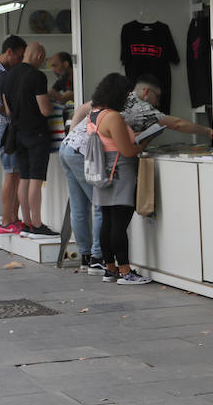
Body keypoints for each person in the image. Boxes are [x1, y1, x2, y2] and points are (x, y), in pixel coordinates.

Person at [88, 73, 151, 285]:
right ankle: (126, 271)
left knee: (107, 221)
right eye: (126, 94)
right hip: (120, 172)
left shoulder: (94, 114)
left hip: (102, 172)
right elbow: (127, 151)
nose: (127, 98)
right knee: (119, 224)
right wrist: (147, 140)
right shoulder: (113, 117)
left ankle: (110, 268)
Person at [1, 42, 57, 236]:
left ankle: (25, 222)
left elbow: (7, 109)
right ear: (40, 56)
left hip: (17, 134)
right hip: (36, 133)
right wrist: (52, 104)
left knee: (23, 177)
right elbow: (44, 109)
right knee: (36, 178)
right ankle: (37, 222)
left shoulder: (8, 75)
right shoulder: (37, 76)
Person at [0, 36, 26, 234]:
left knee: (16, 174)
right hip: (2, 127)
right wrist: (15, 109)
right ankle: (6, 221)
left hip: (7, 126)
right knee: (10, 175)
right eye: (19, 56)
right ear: (9, 52)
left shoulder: (2, 68)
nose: (20, 60)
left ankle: (14, 218)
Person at [59, 97, 104, 271]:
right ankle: (97, 257)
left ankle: (85, 256)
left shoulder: (102, 98)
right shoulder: (121, 100)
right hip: (80, 152)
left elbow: (80, 109)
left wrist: (71, 135)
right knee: (100, 204)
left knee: (78, 207)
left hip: (68, 147)